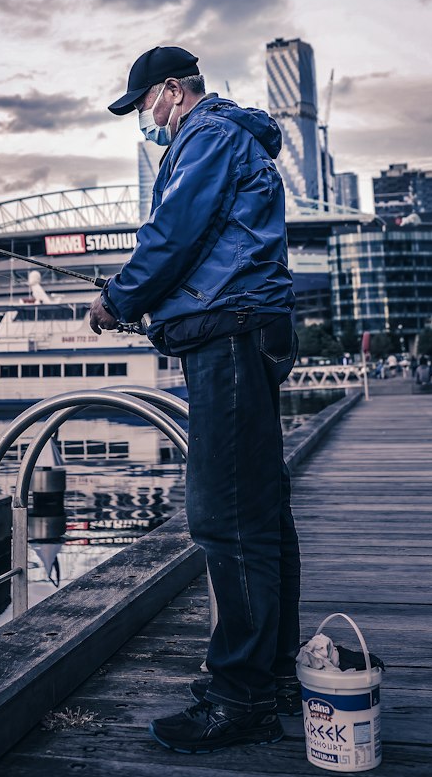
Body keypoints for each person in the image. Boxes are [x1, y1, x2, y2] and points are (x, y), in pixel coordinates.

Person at [89, 45, 298, 754]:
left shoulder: (204, 136)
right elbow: (205, 241)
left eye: (144, 104)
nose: (144, 120)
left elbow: (174, 233)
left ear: (173, 89)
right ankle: (271, 679)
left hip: (230, 338)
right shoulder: (230, 137)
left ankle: (240, 699)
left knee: (226, 518)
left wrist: (117, 299)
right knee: (260, 513)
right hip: (241, 330)